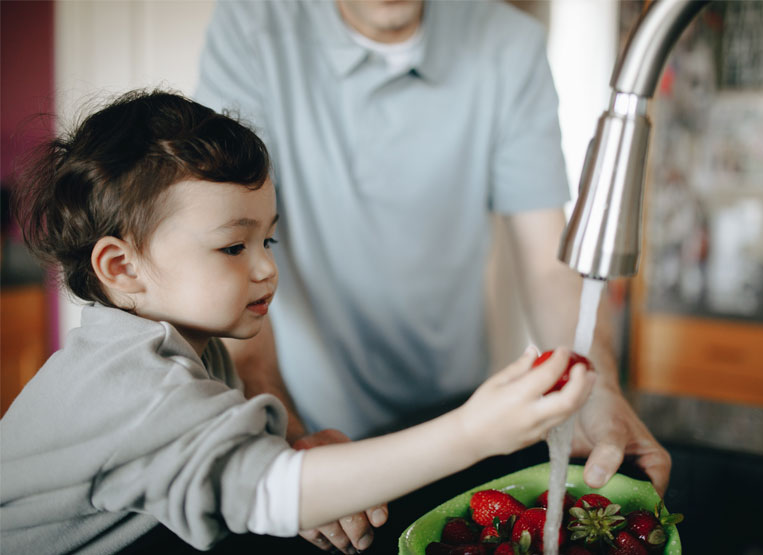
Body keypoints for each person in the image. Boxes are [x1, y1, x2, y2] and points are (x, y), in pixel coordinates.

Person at [0, 90, 595, 554]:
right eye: (234, 247)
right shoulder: (128, 389)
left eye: (270, 237)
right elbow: (268, 492)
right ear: (121, 267)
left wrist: (304, 459)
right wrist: (473, 433)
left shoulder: (184, 349)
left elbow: (229, 464)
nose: (266, 267)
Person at [195, 1, 672, 551]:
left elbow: (547, 262)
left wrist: (598, 387)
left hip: (459, 410)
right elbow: (227, 252)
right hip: (309, 421)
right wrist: (286, 433)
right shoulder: (251, 28)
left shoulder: (508, 43)